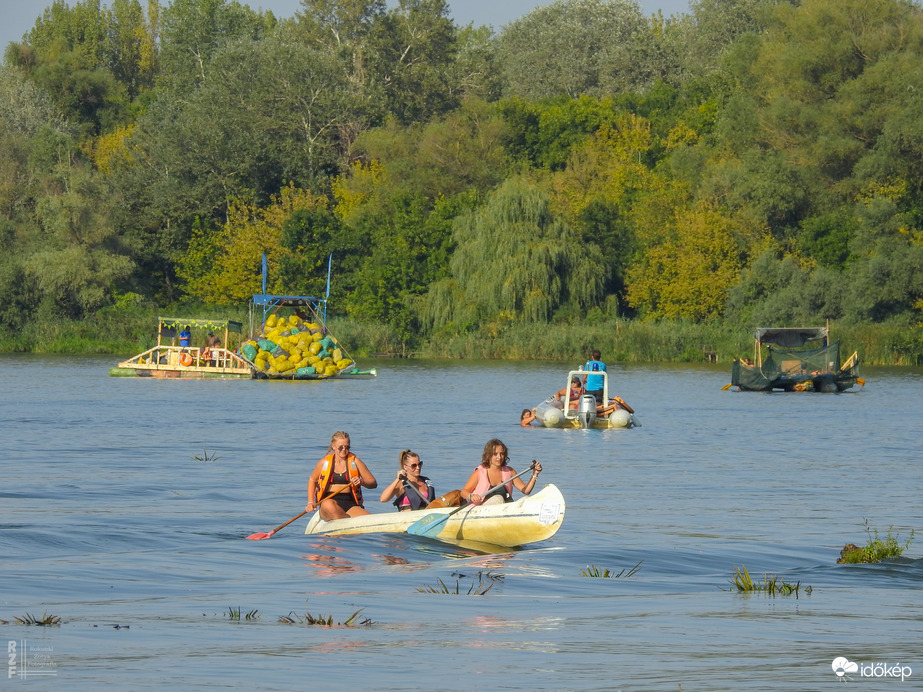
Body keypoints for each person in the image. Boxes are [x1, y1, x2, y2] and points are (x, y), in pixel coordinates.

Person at [306, 431, 378, 520]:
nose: (344, 450)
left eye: (347, 447)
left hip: (350, 504)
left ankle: (344, 519)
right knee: (328, 505)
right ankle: (346, 519)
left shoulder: (355, 462)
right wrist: (310, 502)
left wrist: (361, 482)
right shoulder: (324, 463)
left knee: (371, 520)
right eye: (340, 447)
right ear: (333, 446)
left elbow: (373, 483)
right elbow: (312, 480)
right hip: (328, 504)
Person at [461, 439, 542, 506]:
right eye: (495, 454)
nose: (499, 457)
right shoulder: (479, 472)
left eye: (502, 454)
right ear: (488, 456)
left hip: (503, 508)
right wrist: (471, 496)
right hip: (480, 509)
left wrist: (535, 474)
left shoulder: (509, 471)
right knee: (498, 499)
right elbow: (463, 492)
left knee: (526, 499)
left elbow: (526, 490)